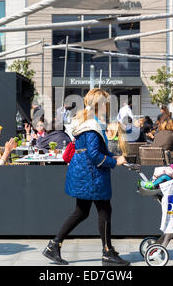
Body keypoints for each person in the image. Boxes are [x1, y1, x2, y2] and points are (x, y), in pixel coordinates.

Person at [43, 88, 129, 266]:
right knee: (104, 210)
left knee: (81, 211)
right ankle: (107, 253)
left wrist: (111, 157)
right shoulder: (92, 125)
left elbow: (91, 151)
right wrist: (115, 162)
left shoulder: (87, 121)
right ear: (100, 105)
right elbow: (94, 154)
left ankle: (54, 245)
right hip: (92, 174)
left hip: (84, 172)